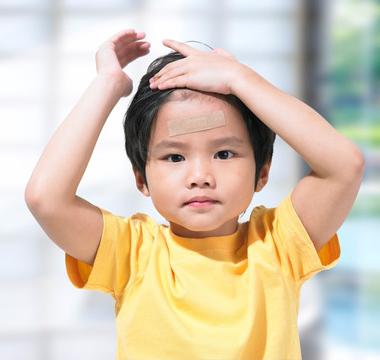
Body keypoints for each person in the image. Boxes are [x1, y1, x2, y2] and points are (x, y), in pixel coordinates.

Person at [25, 29, 364, 359]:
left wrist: (240, 79)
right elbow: (46, 199)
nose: (200, 177)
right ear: (141, 179)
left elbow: (344, 166)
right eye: (175, 157)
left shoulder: (279, 246)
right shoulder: (132, 255)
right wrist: (107, 85)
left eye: (224, 154)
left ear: (262, 171)